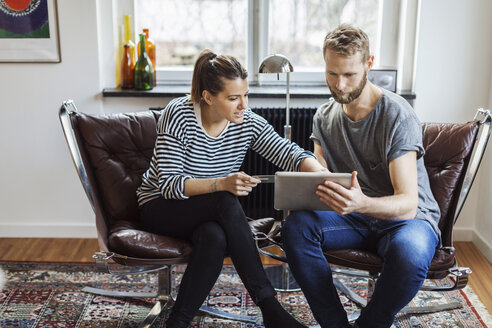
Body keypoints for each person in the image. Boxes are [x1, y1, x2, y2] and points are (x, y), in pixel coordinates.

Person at [137, 49, 325, 328]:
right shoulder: (177, 113)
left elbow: (288, 153)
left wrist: (321, 173)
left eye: (246, 95)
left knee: (213, 236)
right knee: (225, 199)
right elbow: (168, 186)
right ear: (208, 96)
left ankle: (177, 322)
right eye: (233, 98)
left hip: (206, 213)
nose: (243, 105)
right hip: (159, 206)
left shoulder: (245, 122)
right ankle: (270, 308)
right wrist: (221, 184)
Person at [282, 24, 441, 328]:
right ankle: (335, 324)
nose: (339, 85)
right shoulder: (324, 117)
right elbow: (320, 176)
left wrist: (360, 203)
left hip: (407, 220)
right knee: (296, 228)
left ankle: (371, 323)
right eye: (331, 74)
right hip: (353, 218)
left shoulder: (397, 114)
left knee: (410, 254)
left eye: (349, 75)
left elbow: (408, 203)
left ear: (369, 63)